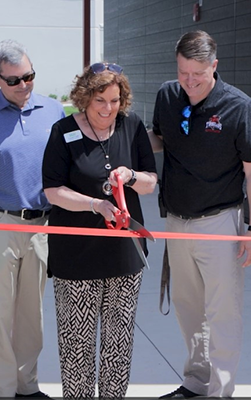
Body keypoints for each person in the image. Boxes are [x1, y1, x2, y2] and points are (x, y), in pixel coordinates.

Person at [149, 30, 251, 398]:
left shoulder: (239, 106)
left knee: (222, 312)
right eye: (183, 72)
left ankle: (221, 390)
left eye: (197, 74)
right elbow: (157, 139)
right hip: (176, 220)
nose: (189, 81)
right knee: (188, 309)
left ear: (214, 66)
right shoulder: (168, 96)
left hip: (219, 221)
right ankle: (196, 383)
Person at [42, 62, 157, 399]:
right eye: (100, 101)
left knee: (118, 344)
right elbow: (53, 191)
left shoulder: (131, 126)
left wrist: (130, 176)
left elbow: (150, 182)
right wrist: (95, 204)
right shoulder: (63, 131)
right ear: (84, 98)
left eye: (115, 100)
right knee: (77, 344)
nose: (108, 109)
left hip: (123, 255)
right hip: (76, 256)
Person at [0, 39, 64, 397]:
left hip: (41, 225)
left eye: (29, 76)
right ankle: (3, 391)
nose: (24, 85)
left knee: (31, 316)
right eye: (14, 80)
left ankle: (28, 387)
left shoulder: (53, 112)